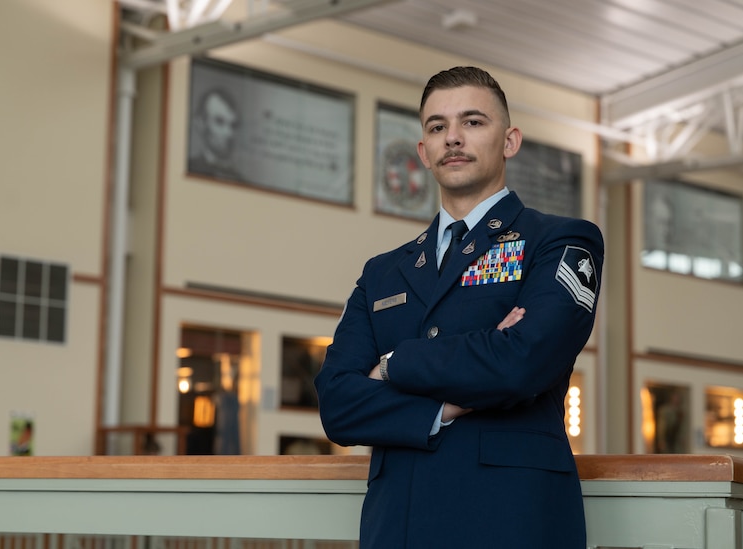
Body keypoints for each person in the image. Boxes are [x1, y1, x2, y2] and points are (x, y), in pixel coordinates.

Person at [314, 66, 604, 548]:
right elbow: (338, 405)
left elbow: (522, 362)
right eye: (437, 127)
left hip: (512, 521)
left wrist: (392, 366)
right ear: (423, 152)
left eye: (473, 122)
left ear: (509, 141)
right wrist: (448, 405)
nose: (453, 138)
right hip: (398, 526)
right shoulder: (383, 271)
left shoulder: (560, 240)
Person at [188, 87, 243, 181]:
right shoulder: (189, 168)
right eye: (219, 122)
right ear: (201, 124)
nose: (229, 133)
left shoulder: (242, 182)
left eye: (233, 125)